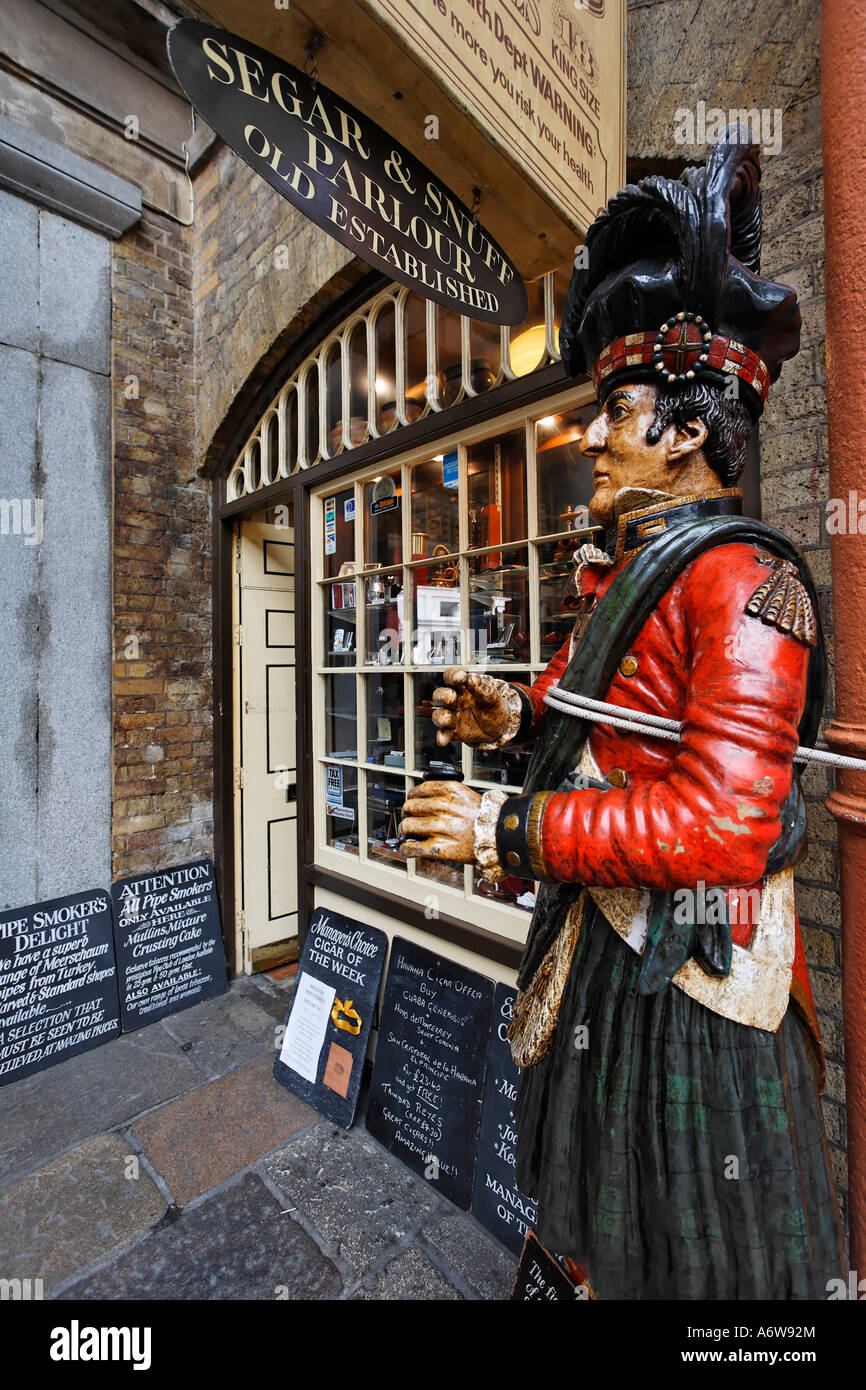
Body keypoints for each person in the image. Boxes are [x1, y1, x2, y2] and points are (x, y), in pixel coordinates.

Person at [399, 127, 844, 1299]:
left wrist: (508, 829)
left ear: (691, 429)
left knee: (687, 1247)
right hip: (609, 950)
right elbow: (597, 718)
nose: (591, 435)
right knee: (598, 1219)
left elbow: (721, 826)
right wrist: (512, 720)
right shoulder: (627, 563)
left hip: (687, 978)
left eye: (620, 409)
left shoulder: (748, 585)